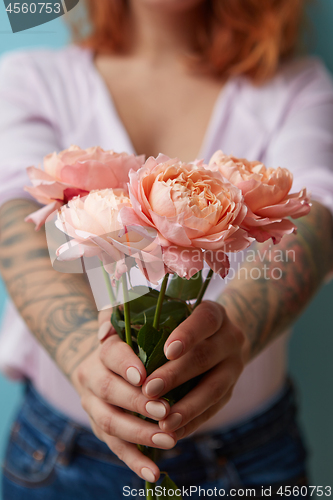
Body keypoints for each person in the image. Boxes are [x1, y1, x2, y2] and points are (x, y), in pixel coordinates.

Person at [0, 0, 333, 498]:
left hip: (251, 459)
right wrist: (83, 360)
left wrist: (234, 335)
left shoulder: (295, 86)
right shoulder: (32, 77)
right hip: (61, 456)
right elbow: (15, 218)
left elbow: (316, 215)